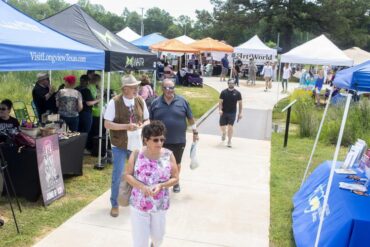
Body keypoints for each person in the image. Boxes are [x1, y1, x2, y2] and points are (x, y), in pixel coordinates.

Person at [124, 120, 179, 247]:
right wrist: (142, 186)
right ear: (145, 140)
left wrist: (161, 185)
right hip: (139, 204)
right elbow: (127, 175)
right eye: (155, 140)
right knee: (139, 242)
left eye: (162, 139)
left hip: (159, 205)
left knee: (158, 238)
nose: (159, 143)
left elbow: (175, 178)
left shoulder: (168, 155)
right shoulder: (137, 154)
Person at [104, 74, 149, 217]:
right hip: (119, 145)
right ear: (124, 89)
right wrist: (126, 126)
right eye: (133, 87)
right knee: (118, 175)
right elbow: (107, 124)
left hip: (136, 144)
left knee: (138, 174)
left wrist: (142, 125)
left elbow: (148, 120)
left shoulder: (140, 101)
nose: (136, 89)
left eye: (137, 86)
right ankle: (115, 204)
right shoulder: (114, 102)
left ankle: (136, 200)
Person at [150, 79, 198, 193]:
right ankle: (160, 182)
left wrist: (195, 132)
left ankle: (175, 181)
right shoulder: (155, 103)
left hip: (178, 139)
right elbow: (151, 121)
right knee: (160, 161)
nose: (169, 90)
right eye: (167, 88)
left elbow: (190, 118)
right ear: (162, 89)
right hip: (159, 140)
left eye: (172, 88)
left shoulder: (182, 101)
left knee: (176, 163)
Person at [219, 79, 242, 148]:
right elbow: (220, 102)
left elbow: (240, 104)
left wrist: (240, 113)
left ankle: (229, 141)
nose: (231, 84)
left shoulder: (237, 93)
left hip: (232, 113)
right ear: (228, 84)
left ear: (234, 84)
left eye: (232, 83)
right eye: (230, 83)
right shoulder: (223, 92)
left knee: (230, 127)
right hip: (224, 112)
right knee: (222, 126)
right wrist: (220, 110)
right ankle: (224, 133)